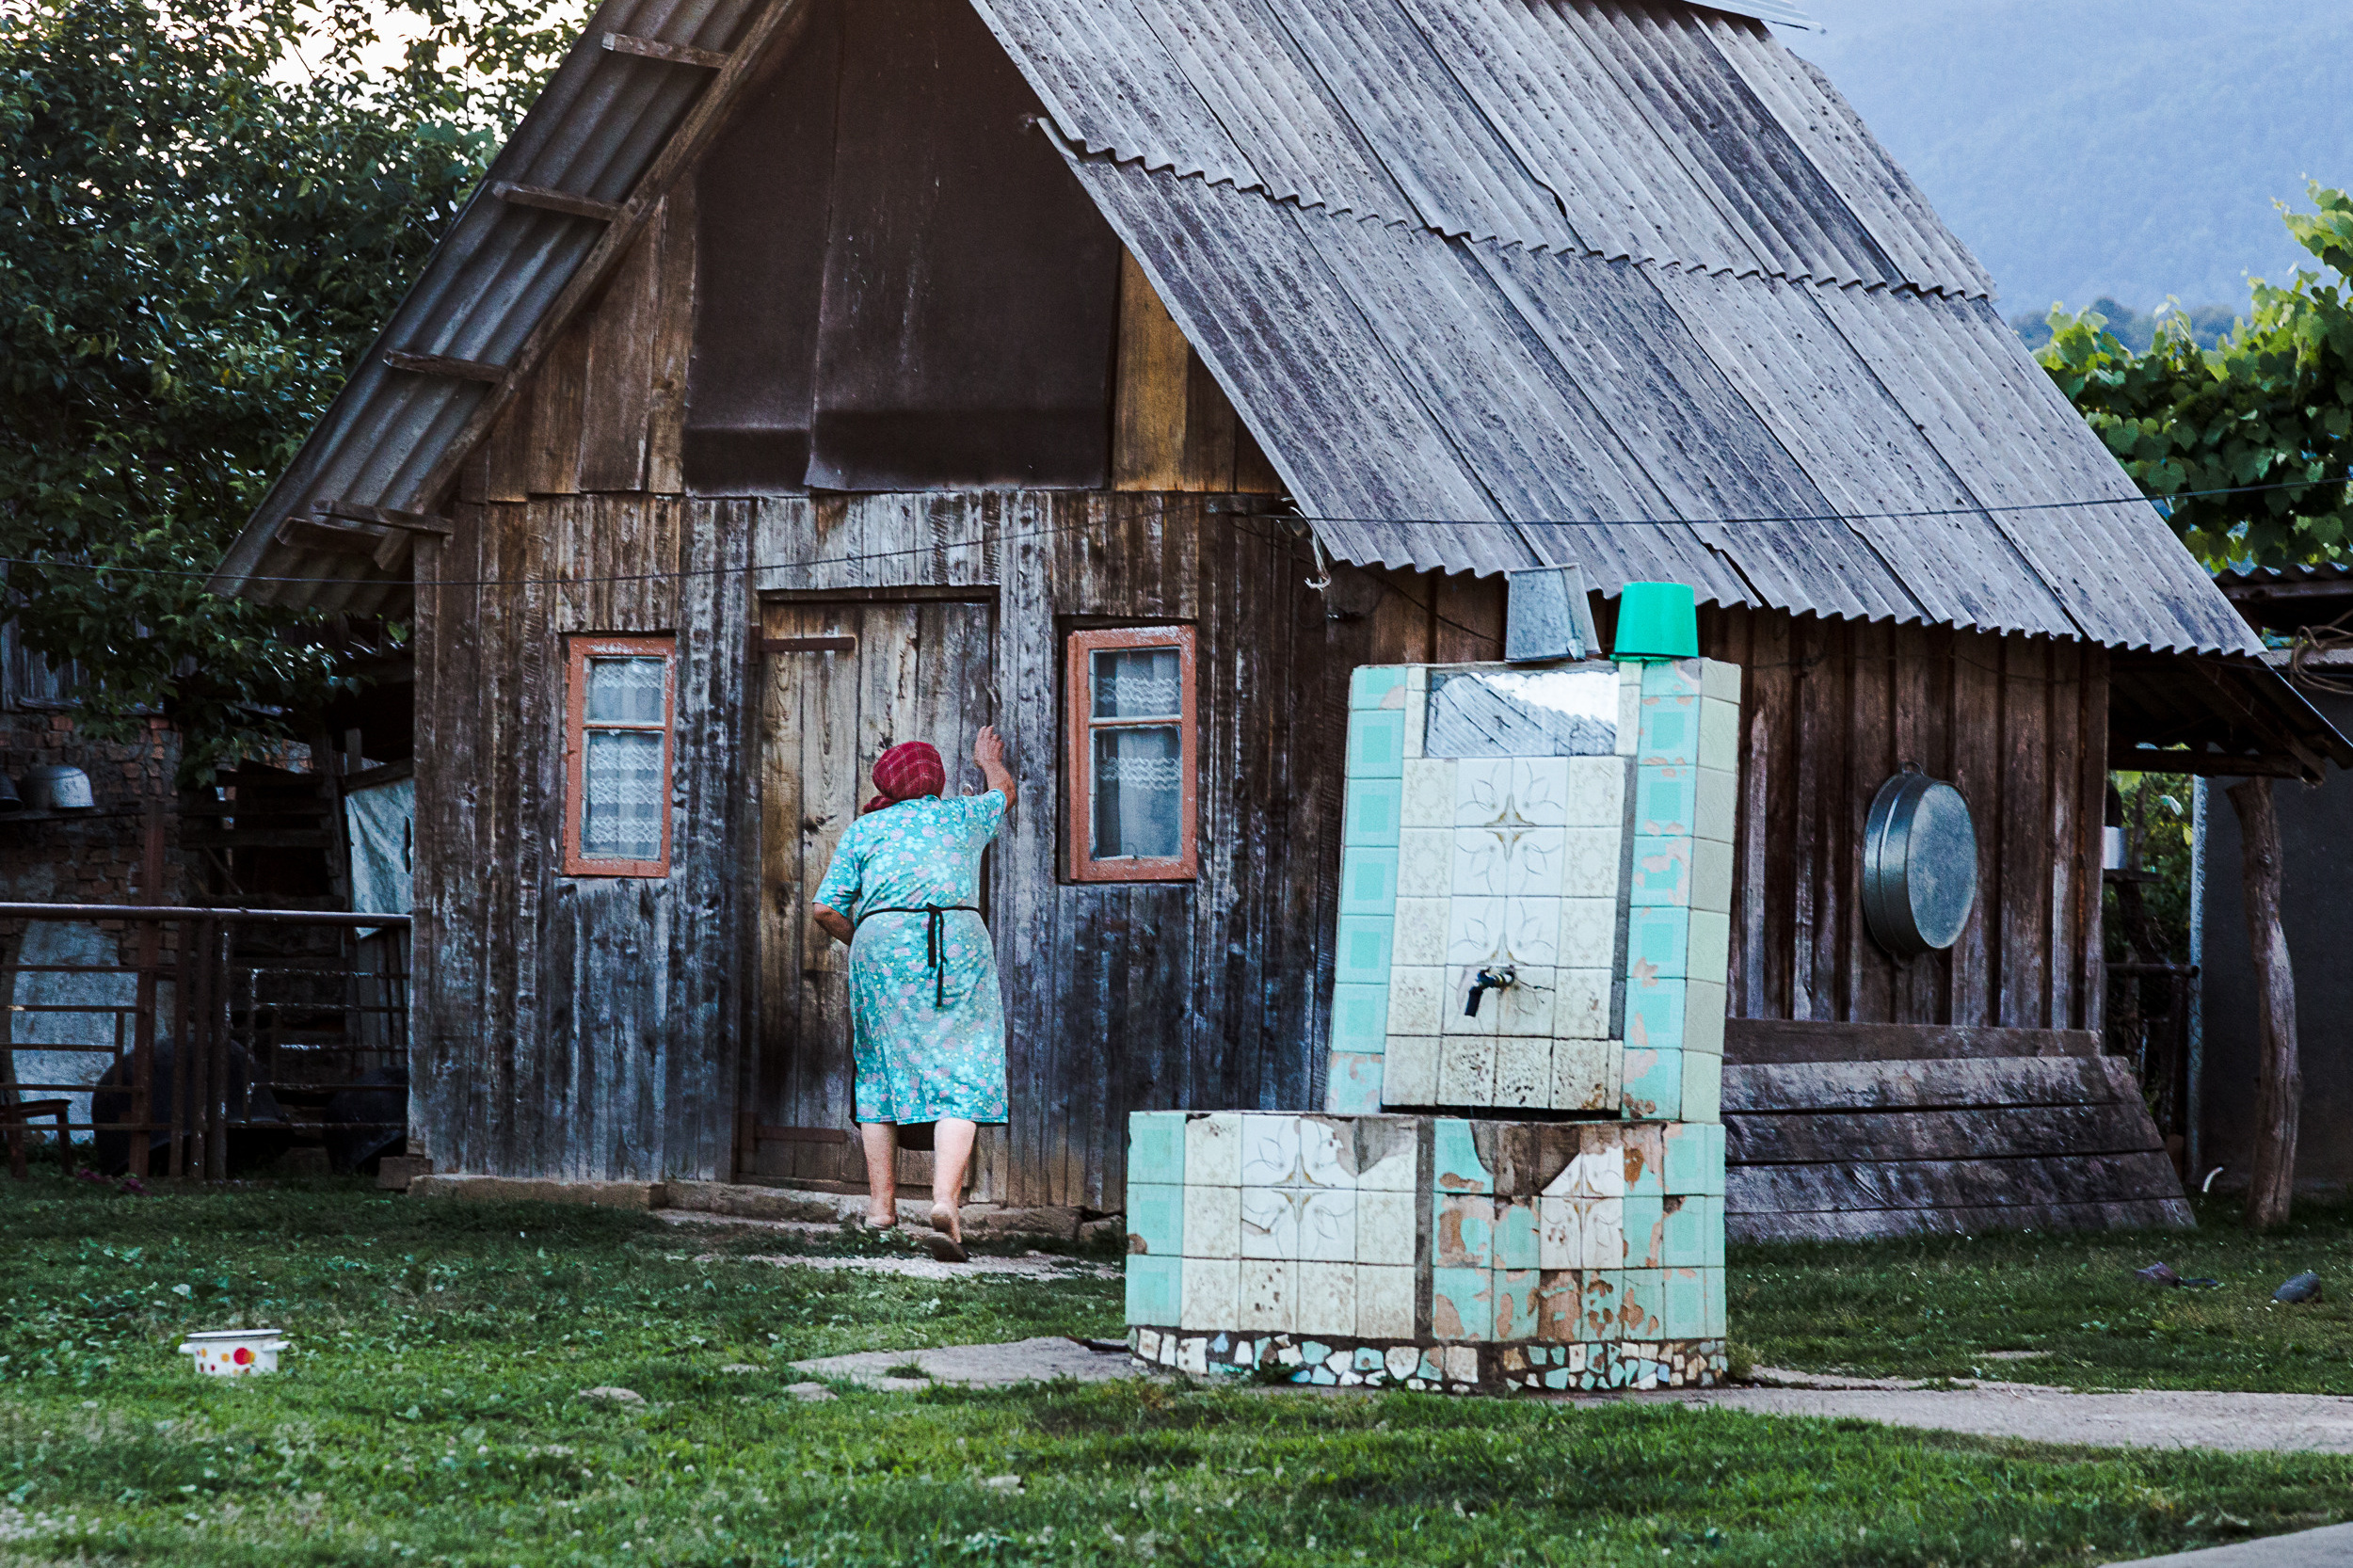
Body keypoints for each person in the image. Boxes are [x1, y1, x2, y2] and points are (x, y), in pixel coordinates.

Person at [810, 728, 1015, 1263]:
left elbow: (825, 909)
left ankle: (881, 1210)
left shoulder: (865, 829)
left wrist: (871, 938)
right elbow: (1004, 794)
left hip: (881, 947)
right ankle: (945, 1204)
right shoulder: (962, 816)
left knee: (878, 1070)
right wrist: (988, 761)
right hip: (957, 943)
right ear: (936, 780)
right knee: (963, 1069)